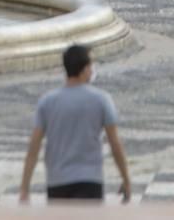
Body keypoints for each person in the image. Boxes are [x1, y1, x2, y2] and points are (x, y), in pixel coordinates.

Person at [19, 44, 131, 204]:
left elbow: (33, 148)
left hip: (57, 181)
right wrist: (126, 179)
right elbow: (115, 144)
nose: (93, 70)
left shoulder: (47, 102)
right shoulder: (101, 100)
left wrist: (25, 188)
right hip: (90, 180)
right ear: (85, 69)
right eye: (91, 65)